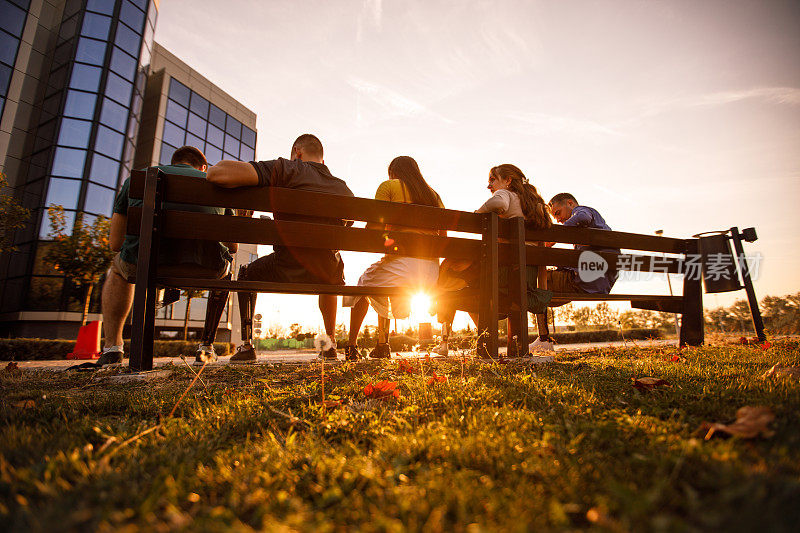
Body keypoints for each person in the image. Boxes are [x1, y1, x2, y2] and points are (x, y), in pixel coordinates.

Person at [203, 134, 354, 363]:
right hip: (327, 274)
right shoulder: (341, 187)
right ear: (323, 161)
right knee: (329, 265)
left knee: (246, 273)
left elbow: (217, 173)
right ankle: (330, 343)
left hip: (286, 267)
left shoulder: (286, 169)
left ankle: (246, 346)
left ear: (297, 152)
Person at [98, 146, 238, 366]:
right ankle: (206, 345)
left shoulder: (139, 179)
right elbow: (233, 246)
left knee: (117, 270)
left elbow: (116, 243)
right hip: (206, 267)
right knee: (226, 267)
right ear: (203, 168)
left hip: (144, 264)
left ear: (172, 163)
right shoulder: (216, 184)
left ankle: (112, 348)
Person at [435, 164, 553, 357]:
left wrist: (477, 214)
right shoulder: (536, 207)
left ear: (508, 181)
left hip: (504, 279)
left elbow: (497, 204)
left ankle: (442, 307)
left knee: (450, 272)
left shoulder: (507, 195)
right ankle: (444, 304)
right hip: (527, 280)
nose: (489, 185)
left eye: (493, 179)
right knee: (457, 272)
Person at [342, 156, 444, 360]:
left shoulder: (388, 186)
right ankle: (382, 344)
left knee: (363, 285)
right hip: (431, 271)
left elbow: (373, 227)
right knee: (381, 274)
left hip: (403, 265)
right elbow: (444, 237)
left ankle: (351, 346)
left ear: (393, 173)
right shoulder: (433, 194)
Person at [530, 193, 620, 352]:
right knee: (540, 290)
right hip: (600, 285)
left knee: (530, 283)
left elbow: (583, 217)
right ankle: (543, 338)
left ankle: (542, 339)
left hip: (583, 283)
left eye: (558, 213)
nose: (558, 219)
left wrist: (553, 237)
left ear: (570, 203)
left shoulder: (584, 211)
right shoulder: (598, 226)